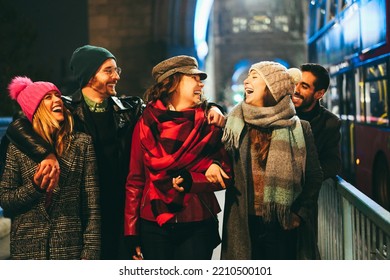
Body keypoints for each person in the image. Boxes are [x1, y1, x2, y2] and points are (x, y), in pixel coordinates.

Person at [4, 45, 143, 259]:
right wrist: (46, 154)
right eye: (108, 70)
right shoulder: (65, 109)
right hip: (83, 214)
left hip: (120, 209)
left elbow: (163, 112)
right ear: (89, 75)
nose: (116, 76)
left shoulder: (130, 109)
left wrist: (213, 108)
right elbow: (19, 125)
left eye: (117, 70)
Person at [124, 55, 232, 260]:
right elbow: (135, 181)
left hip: (197, 222)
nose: (201, 83)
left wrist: (194, 180)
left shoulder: (210, 122)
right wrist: (131, 232)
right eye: (194, 78)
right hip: (153, 224)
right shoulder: (146, 123)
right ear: (173, 83)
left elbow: (226, 174)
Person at [220, 61, 323, 260]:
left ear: (272, 89)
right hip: (243, 222)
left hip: (282, 223)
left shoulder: (300, 128)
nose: (246, 81)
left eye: (254, 77)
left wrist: (299, 214)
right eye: (248, 76)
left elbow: (313, 176)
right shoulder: (235, 124)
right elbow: (217, 156)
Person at [0, 76, 100, 259]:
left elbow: (91, 207)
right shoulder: (17, 148)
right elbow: (6, 200)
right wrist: (35, 187)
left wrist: (90, 255)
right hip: (27, 250)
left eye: (57, 95)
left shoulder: (81, 143)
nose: (57, 100)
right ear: (35, 108)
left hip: (70, 249)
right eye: (48, 97)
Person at [292, 63, 341, 181]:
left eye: (304, 86)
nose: (296, 90)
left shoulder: (330, 122)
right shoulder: (280, 112)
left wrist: (303, 177)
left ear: (319, 94)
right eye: (295, 84)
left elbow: (333, 163)